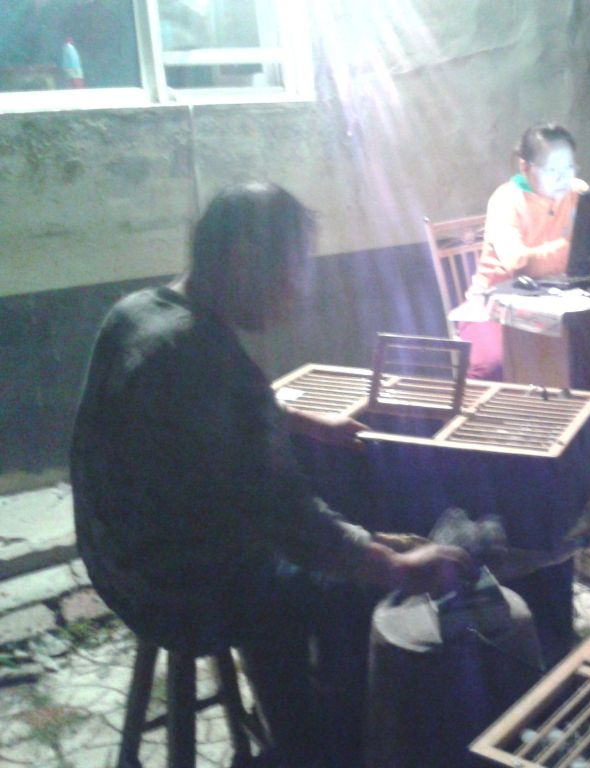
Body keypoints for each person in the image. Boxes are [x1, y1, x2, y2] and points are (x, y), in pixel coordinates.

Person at [71, 182, 471, 767]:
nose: (298, 291)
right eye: (293, 269)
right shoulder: (201, 356)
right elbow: (289, 517)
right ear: (243, 259)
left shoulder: (141, 311)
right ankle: (317, 745)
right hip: (171, 589)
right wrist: (392, 565)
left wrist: (305, 422)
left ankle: (295, 718)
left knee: (308, 545)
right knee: (339, 589)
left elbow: (203, 414)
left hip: (111, 555)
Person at [459, 122, 589, 380]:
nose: (563, 178)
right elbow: (520, 265)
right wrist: (574, 247)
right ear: (525, 167)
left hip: (554, 301)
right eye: (552, 170)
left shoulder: (577, 193)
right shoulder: (506, 200)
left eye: (569, 168)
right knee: (493, 364)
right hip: (495, 306)